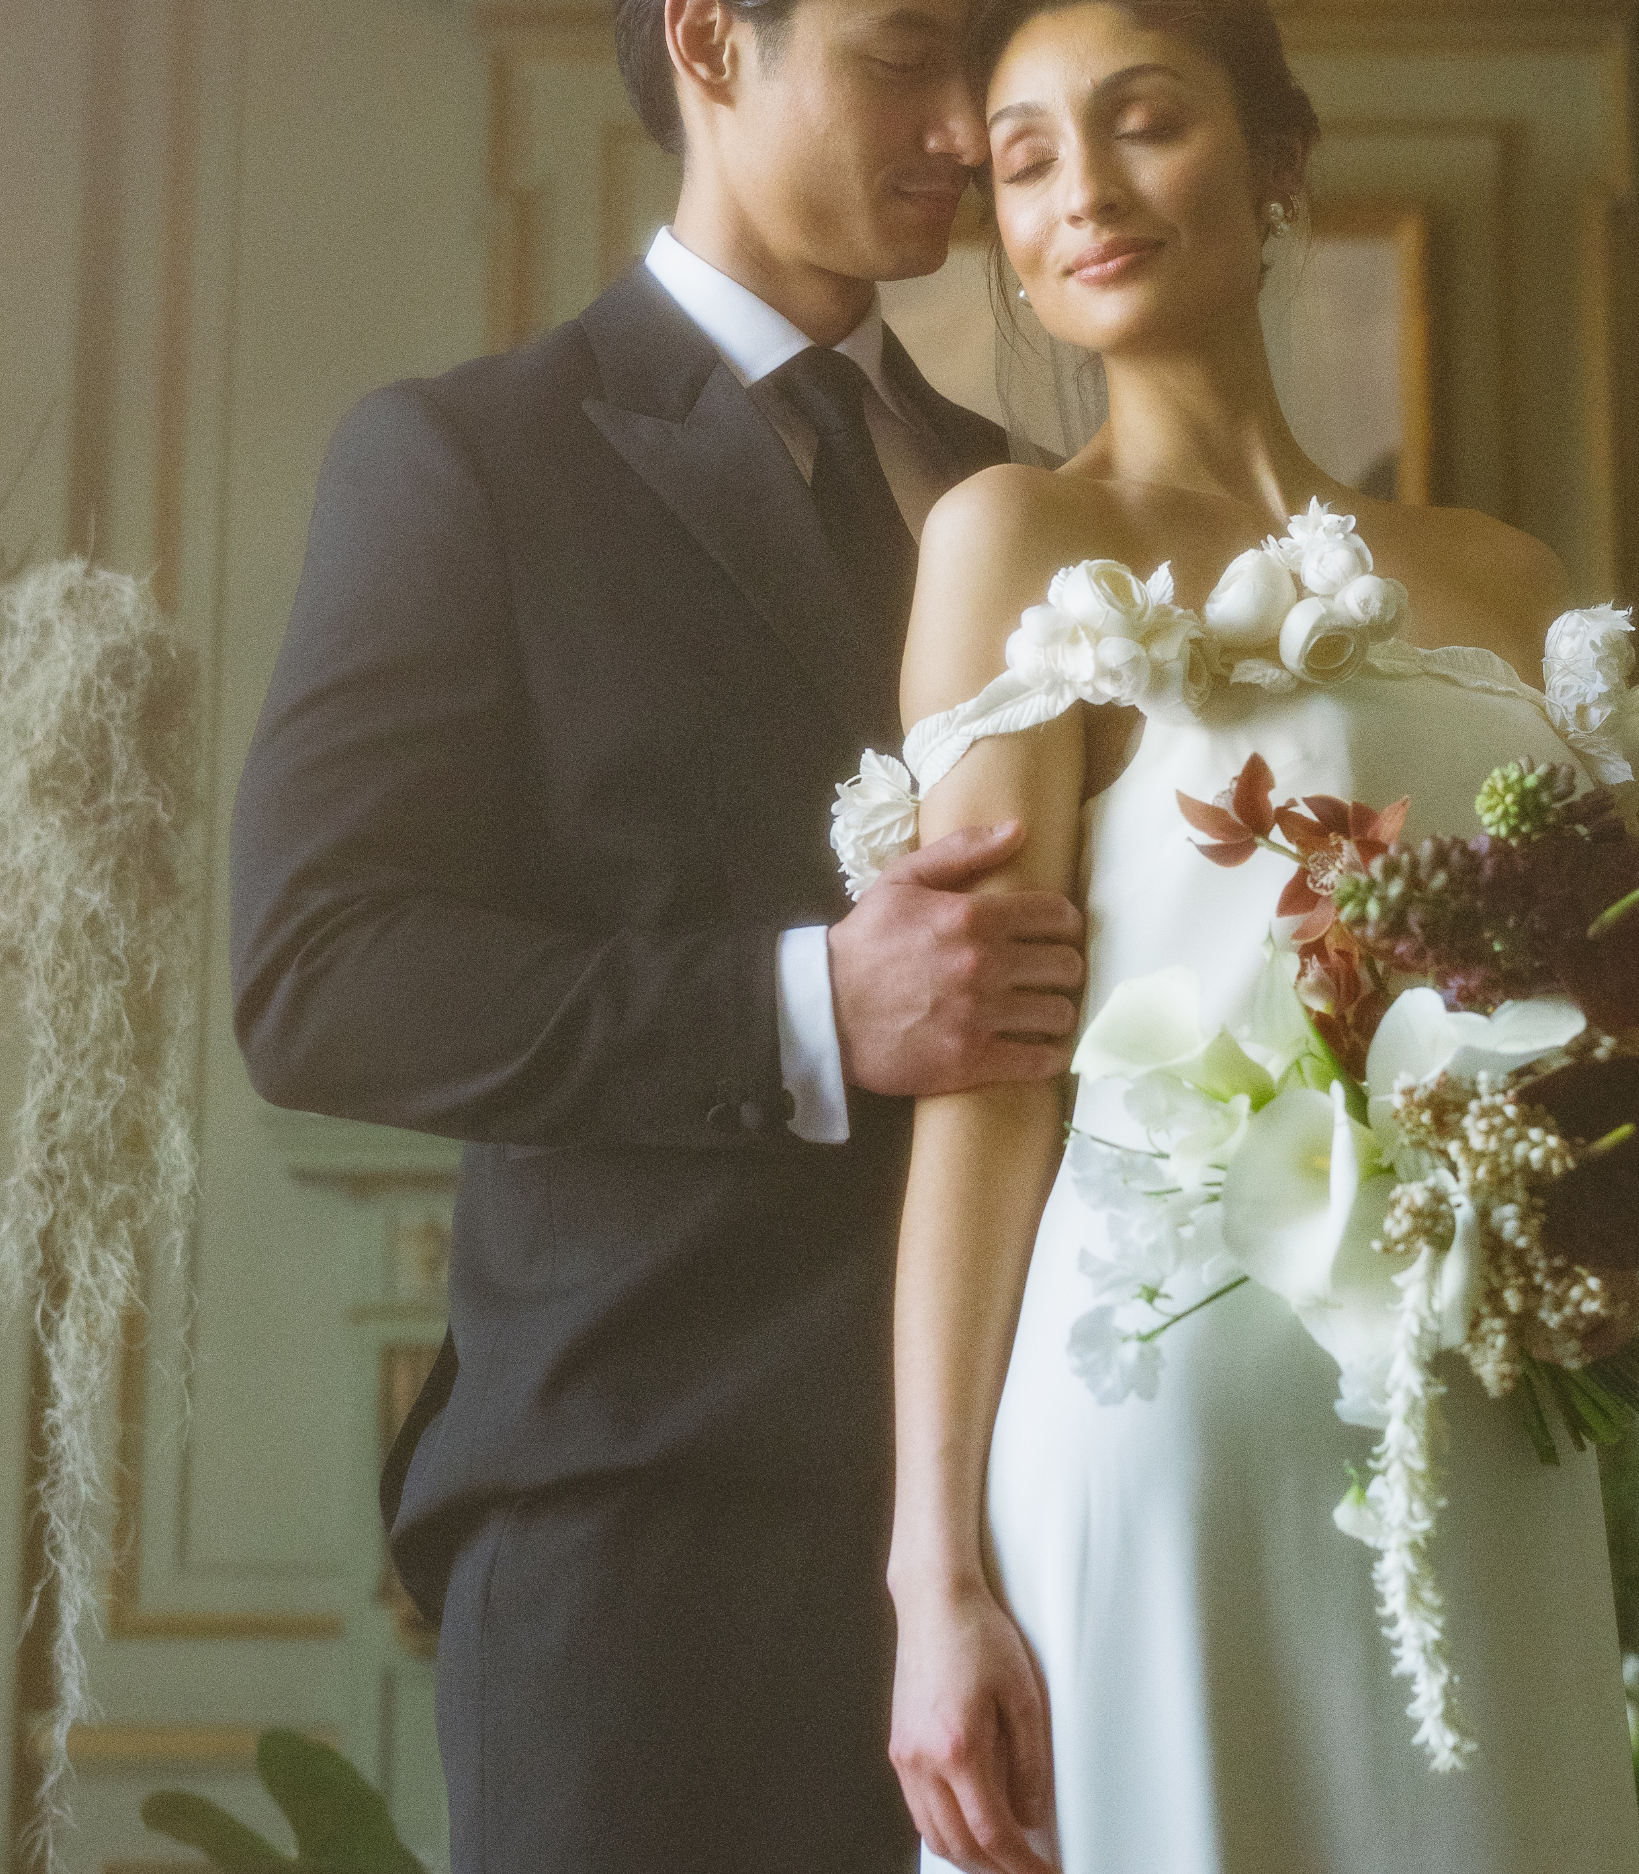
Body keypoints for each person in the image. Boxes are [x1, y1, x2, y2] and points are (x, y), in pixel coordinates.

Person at [226, 0, 1090, 1867]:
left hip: (1031, 1516)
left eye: (977, 64)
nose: (965, 123)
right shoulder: (467, 459)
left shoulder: (1019, 498)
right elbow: (318, 974)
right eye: (902, 55)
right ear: (710, 39)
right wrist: (809, 1005)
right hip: (638, 1536)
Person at [876, 0, 1639, 1868]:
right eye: (1028, 159)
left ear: (1279, 160)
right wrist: (932, 1573)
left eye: (1142, 121)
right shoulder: (1011, 543)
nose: (1083, 191)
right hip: (1166, 1421)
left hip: (1479, 1401)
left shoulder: (1508, 580)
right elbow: (984, 1085)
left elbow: (1597, 1017)